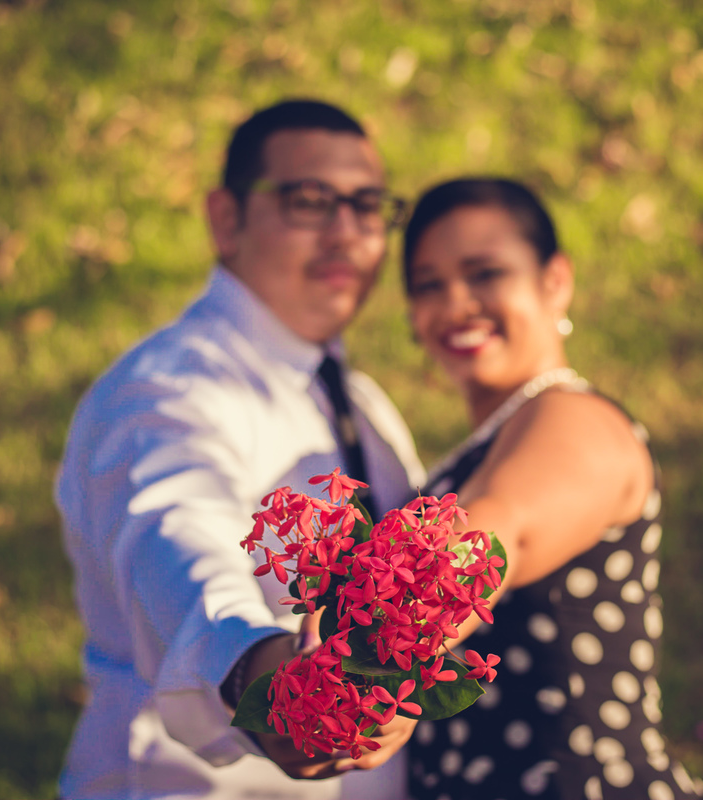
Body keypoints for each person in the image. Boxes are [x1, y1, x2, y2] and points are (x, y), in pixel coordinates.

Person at [54, 99, 425, 799]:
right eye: (310, 201)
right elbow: (172, 541)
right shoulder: (166, 393)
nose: (347, 233)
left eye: (368, 206)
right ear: (227, 219)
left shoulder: (363, 405)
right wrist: (263, 677)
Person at [400, 179, 703, 800]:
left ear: (554, 282)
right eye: (428, 284)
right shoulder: (498, 435)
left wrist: (339, 671)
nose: (456, 303)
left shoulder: (573, 419)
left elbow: (494, 535)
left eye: (484, 273)